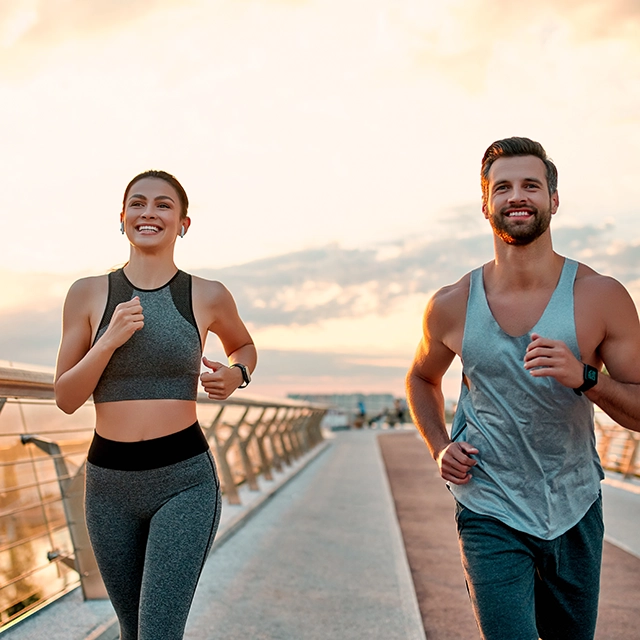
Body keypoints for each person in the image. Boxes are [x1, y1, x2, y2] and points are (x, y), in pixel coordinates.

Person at [406, 137, 640, 640]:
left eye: (531, 185)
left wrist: (585, 378)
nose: (517, 196)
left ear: (553, 200)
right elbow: (422, 377)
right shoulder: (451, 303)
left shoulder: (600, 295)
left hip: (574, 505)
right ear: (485, 203)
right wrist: (439, 445)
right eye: (503, 187)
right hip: (488, 503)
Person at [54, 170, 257, 640]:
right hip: (107, 485)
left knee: (158, 633)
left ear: (183, 223)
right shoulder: (87, 293)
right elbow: (66, 397)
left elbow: (243, 346)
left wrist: (237, 373)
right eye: (138, 203)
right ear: (121, 218)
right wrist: (107, 342)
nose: (149, 212)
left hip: (183, 479)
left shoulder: (206, 293)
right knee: (132, 632)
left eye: (164, 205)